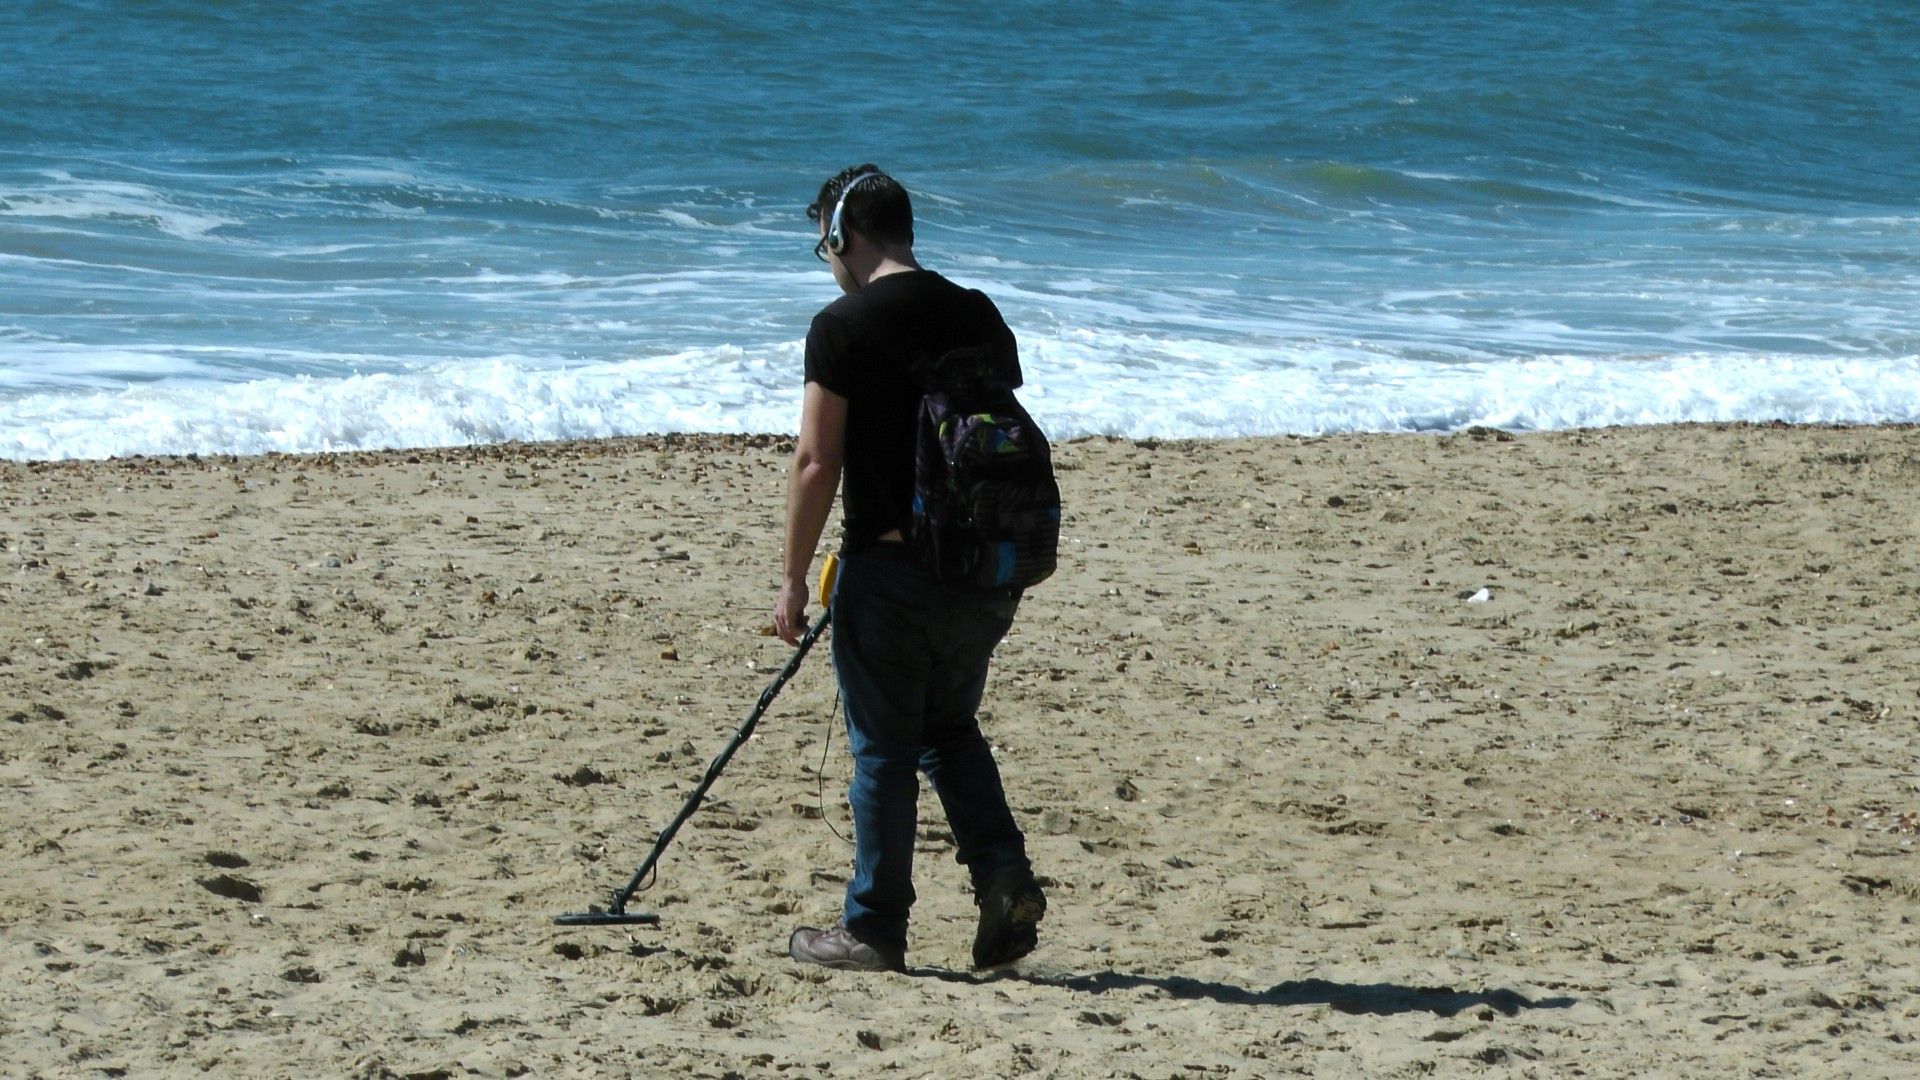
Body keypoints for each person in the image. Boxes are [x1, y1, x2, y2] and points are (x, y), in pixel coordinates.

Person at [773, 164, 1046, 974]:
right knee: (947, 729)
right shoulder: (979, 315)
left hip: (890, 571)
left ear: (841, 235)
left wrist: (792, 579)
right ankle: (1004, 877)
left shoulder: (842, 325)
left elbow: (816, 462)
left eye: (823, 243)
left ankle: (873, 928)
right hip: (984, 570)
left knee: (884, 748)